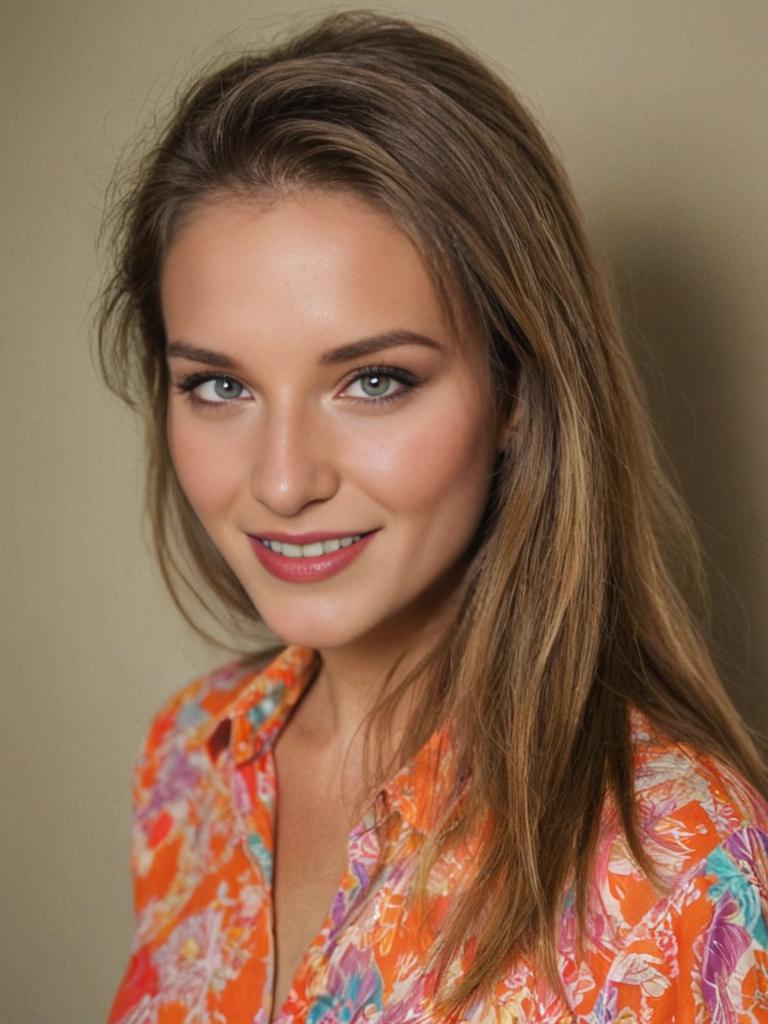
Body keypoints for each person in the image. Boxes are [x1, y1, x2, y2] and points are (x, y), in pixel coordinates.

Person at [97, 9, 768, 1023]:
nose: (282, 483)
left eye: (373, 379)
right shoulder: (191, 756)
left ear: (515, 395)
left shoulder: (682, 864)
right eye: (220, 387)